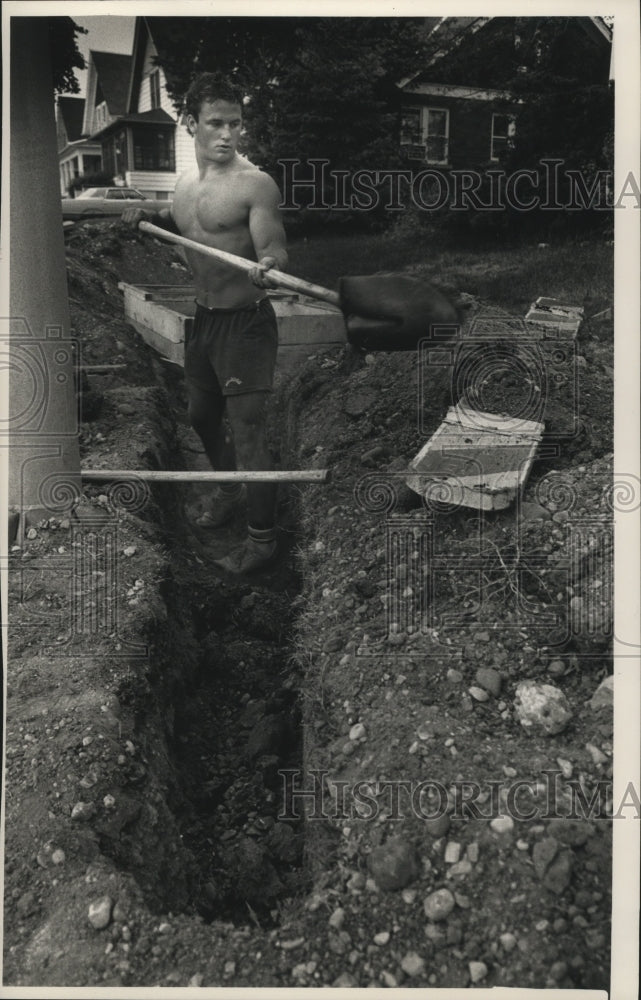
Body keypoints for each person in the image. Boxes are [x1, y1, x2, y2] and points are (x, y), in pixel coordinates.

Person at [123, 73, 287, 574]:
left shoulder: (254, 184)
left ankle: (263, 540)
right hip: (205, 320)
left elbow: (273, 247)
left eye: (235, 124)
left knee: (249, 431)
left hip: (245, 325)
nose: (227, 134)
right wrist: (146, 216)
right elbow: (186, 231)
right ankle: (230, 486)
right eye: (216, 123)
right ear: (190, 123)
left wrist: (271, 266)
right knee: (199, 416)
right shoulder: (185, 186)